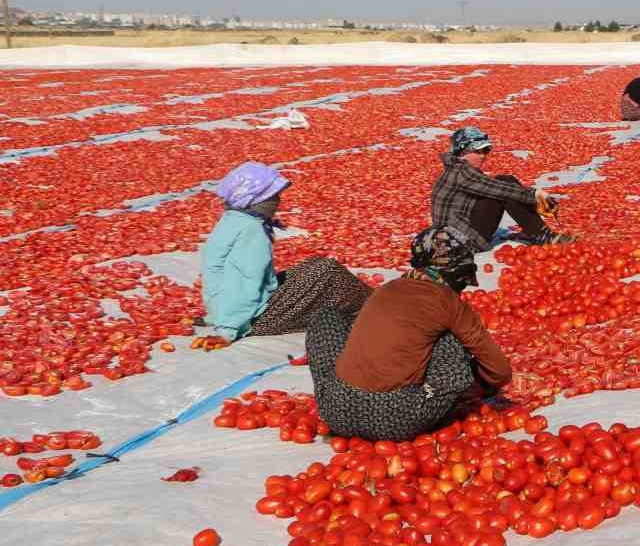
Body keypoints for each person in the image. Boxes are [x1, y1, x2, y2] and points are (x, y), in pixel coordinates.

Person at [306, 226, 513, 441]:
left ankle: (340, 397)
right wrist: (481, 384)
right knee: (450, 340)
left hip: (336, 409)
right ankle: (428, 404)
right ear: (457, 271)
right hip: (396, 420)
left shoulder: (387, 289)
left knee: (327, 318)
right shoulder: (449, 303)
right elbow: (500, 371)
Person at [200, 161, 372, 340]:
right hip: (257, 318)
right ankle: (375, 304)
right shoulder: (252, 229)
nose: (278, 201)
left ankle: (373, 302)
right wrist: (228, 328)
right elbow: (246, 280)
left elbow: (219, 275)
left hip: (225, 307)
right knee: (327, 271)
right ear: (255, 200)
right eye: (273, 196)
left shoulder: (232, 219)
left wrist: (217, 314)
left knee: (315, 264)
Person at [431, 127, 574, 250]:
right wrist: (537, 195)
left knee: (505, 184)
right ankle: (540, 235)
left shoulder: (457, 167)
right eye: (478, 151)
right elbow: (501, 189)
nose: (483, 156)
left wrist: (532, 199)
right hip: (463, 242)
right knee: (506, 189)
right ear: (463, 152)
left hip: (456, 233)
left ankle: (535, 231)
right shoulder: (461, 173)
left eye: (486, 150)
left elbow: (492, 186)